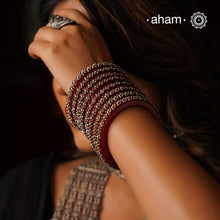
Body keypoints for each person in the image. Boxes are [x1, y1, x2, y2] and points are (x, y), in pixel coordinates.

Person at [1, 0, 220, 219]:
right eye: (59, 61)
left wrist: (99, 92)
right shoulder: (20, 192)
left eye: (93, 54)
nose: (63, 86)